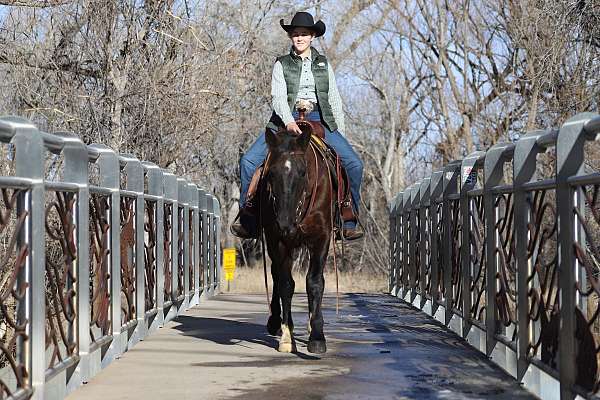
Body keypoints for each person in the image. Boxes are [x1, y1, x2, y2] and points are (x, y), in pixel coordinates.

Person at [231, 11, 364, 240]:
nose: (299, 38)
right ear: (291, 37)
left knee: (354, 164)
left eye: (304, 34)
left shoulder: (323, 64)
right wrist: (289, 121)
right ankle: (249, 216)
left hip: (319, 118)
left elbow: (333, 98)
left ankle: (347, 219)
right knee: (248, 161)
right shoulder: (281, 64)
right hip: (285, 117)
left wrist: (338, 131)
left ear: (312, 36)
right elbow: (278, 98)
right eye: (295, 34)